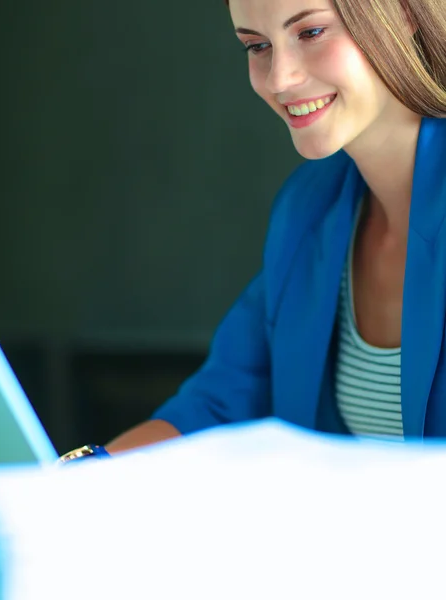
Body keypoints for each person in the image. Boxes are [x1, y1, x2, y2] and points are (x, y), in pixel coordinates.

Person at [98, 0, 446, 456]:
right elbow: (220, 405)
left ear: (401, 13)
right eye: (257, 45)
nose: (280, 79)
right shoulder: (309, 207)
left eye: (311, 33)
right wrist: (69, 482)